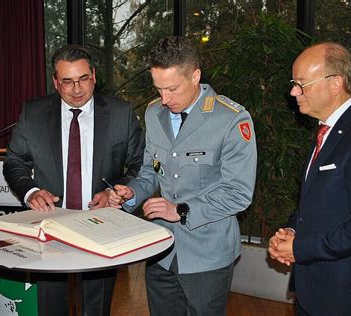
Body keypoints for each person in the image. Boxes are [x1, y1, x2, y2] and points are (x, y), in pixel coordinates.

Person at [107, 36, 257, 315]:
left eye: (172, 89)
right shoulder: (154, 113)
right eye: (159, 89)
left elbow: (238, 193)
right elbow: (151, 171)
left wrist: (182, 210)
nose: (165, 99)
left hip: (207, 255)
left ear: (196, 75)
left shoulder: (231, 119)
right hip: (161, 252)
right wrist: (132, 193)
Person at [3, 44, 145, 316]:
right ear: (55, 82)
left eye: (83, 79)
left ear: (93, 75)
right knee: (50, 304)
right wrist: (31, 191)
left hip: (102, 223)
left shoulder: (120, 113)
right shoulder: (34, 113)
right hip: (50, 222)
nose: (77, 89)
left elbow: (140, 164)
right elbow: (14, 161)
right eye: (67, 82)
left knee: (97, 305)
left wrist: (115, 191)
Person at [268, 42, 351, 315]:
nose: (293, 92)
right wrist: (291, 231)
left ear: (335, 83)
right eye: (294, 83)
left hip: (345, 298)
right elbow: (314, 201)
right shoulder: (326, 132)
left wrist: (300, 249)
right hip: (311, 290)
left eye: (301, 83)